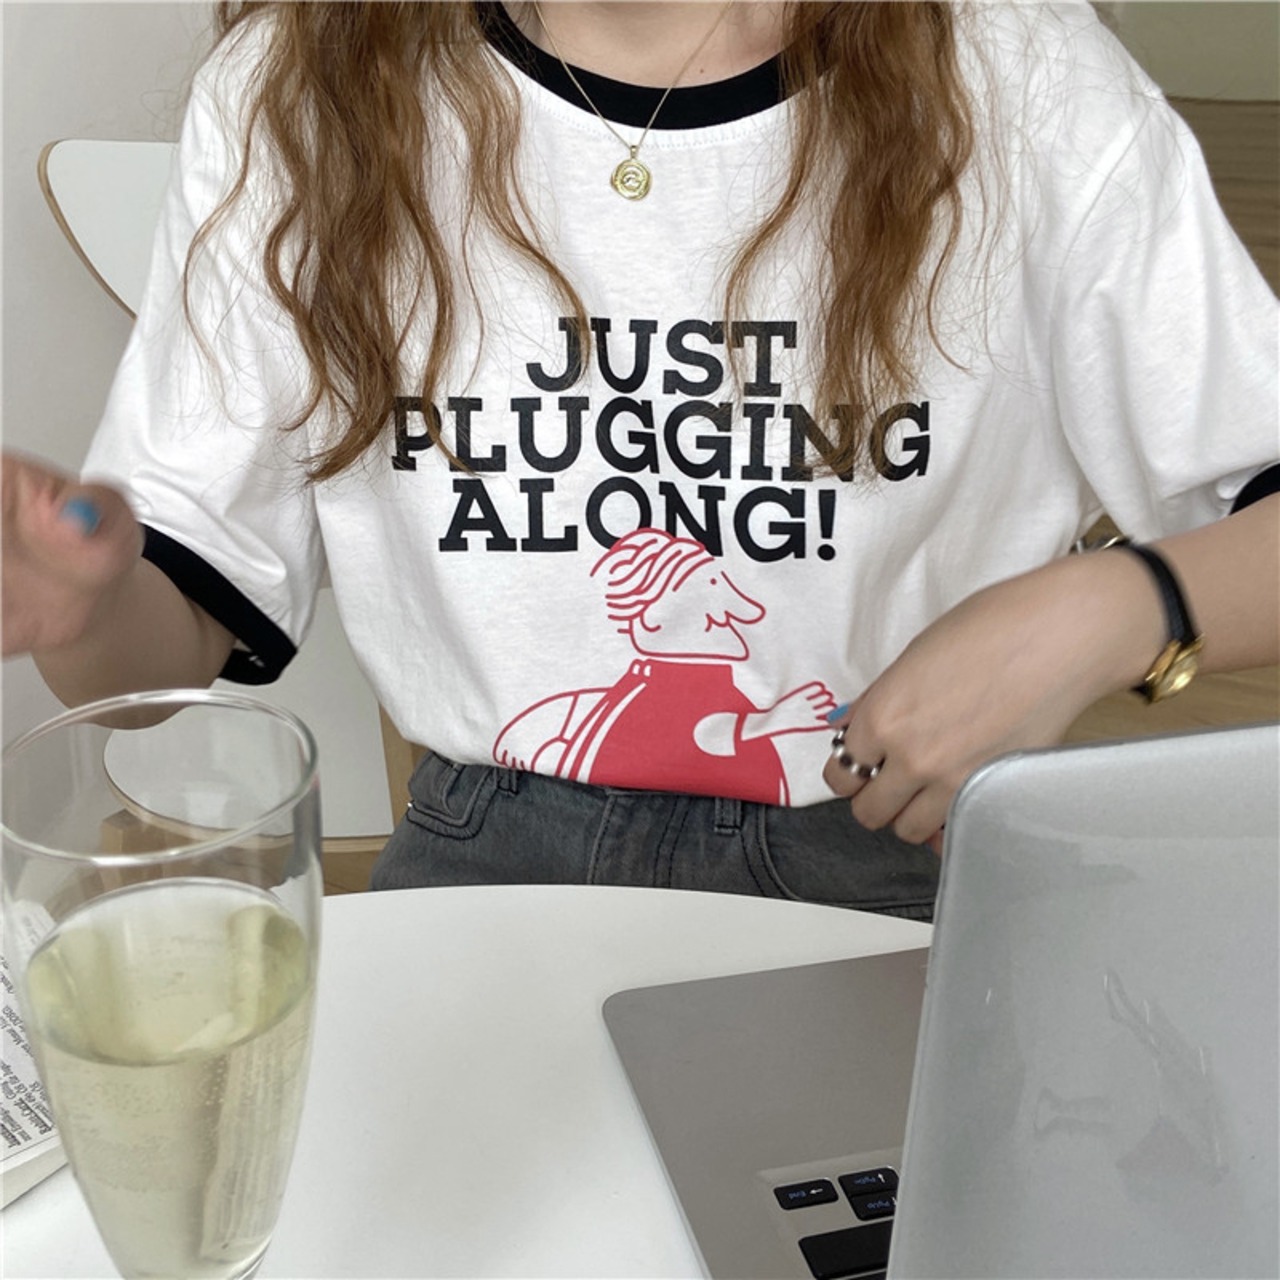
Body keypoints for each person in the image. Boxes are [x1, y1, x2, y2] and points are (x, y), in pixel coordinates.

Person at [4, 1, 1277, 918]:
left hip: (897, 844)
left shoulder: (1024, 80)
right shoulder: (298, 88)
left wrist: (1117, 607)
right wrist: (86, 603)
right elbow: (161, 652)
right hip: (486, 852)